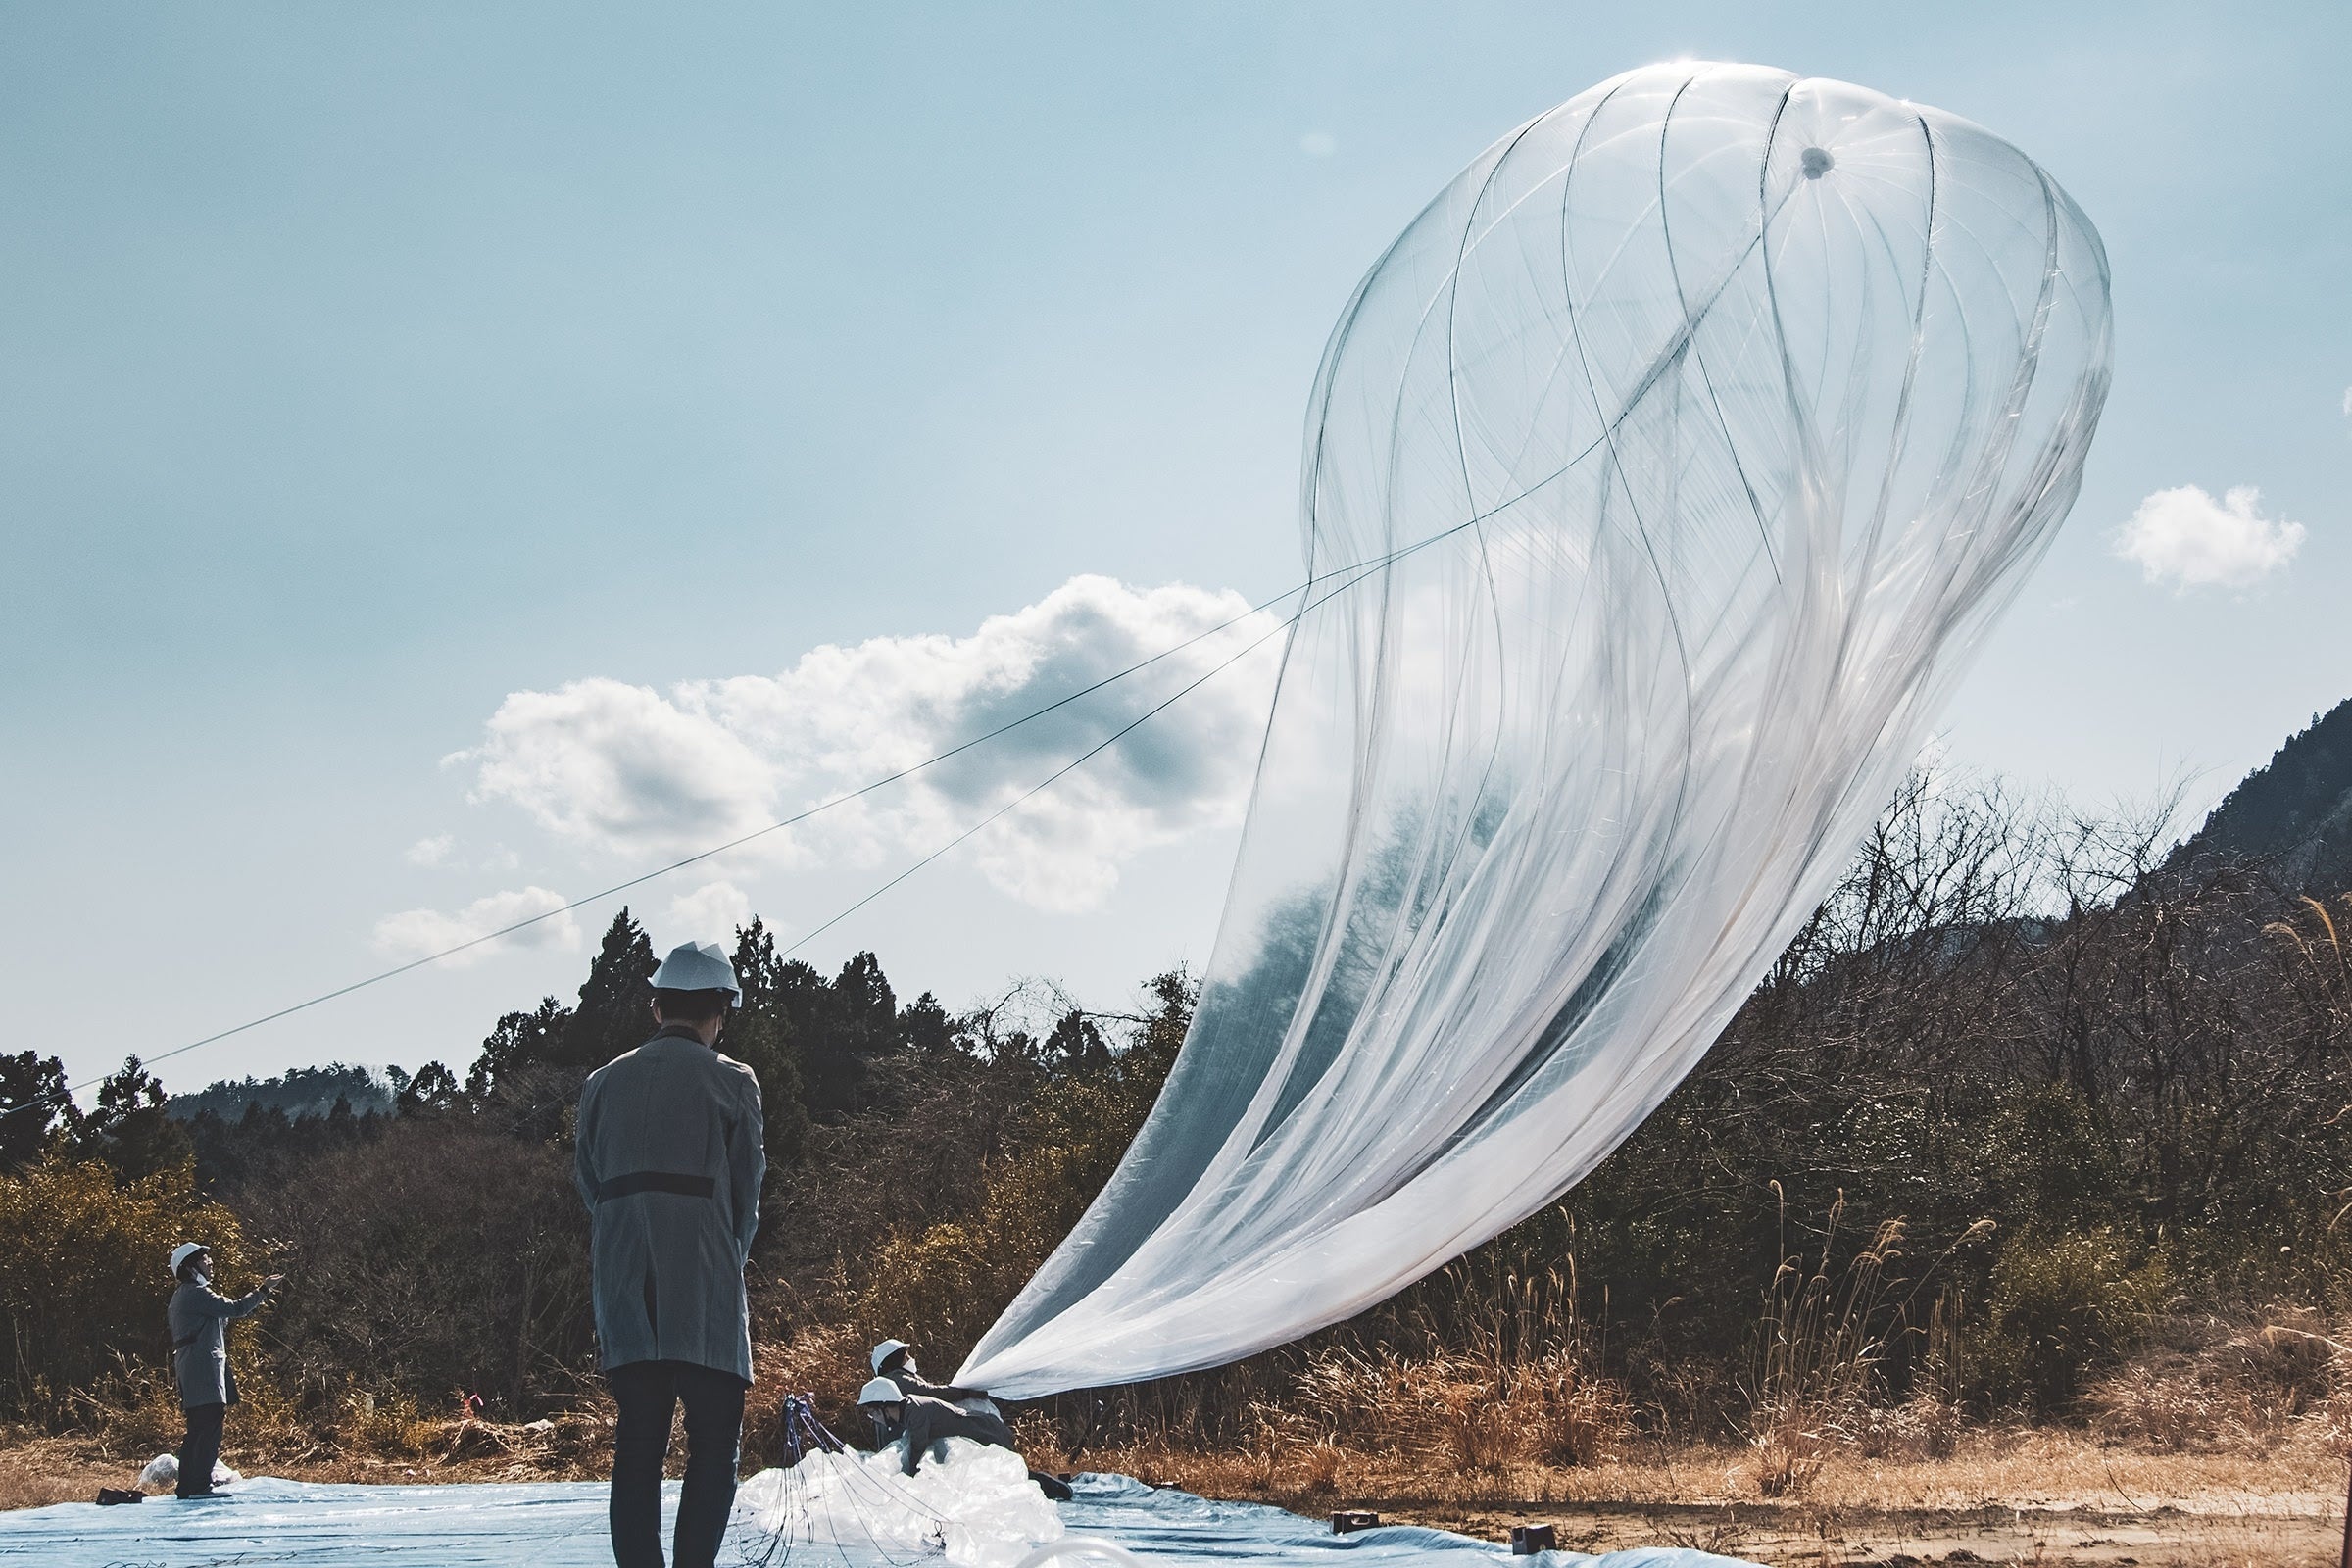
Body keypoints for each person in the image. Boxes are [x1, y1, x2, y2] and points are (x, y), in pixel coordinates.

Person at [575, 941, 765, 1568]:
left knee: (638, 1446)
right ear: (719, 1011)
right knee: (713, 1446)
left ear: (657, 1008)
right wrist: (727, 1262)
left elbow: (589, 1183)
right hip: (706, 1287)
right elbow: (746, 1195)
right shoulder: (733, 1082)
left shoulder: (602, 1083)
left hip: (626, 1289)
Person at [165, 1242, 283, 1499]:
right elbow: (236, 1308)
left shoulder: (185, 1294)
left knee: (199, 1427)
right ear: (190, 1266)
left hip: (196, 1367)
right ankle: (197, 1487)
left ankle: (189, 1487)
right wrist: (263, 1289)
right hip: (202, 1368)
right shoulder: (196, 1293)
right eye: (204, 1260)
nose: (210, 1263)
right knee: (208, 1426)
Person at [856, 1378, 1073, 1502]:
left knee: (1006, 1474)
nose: (873, 1418)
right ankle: (1049, 1483)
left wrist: (905, 1482)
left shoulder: (914, 1411)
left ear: (885, 1406)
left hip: (983, 1432)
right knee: (997, 1476)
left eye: (873, 1412)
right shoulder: (908, 1411)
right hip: (976, 1432)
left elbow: (917, 1448)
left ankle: (1053, 1486)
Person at [869, 1339, 997, 1415]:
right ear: (895, 1362)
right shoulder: (896, 1380)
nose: (910, 1359)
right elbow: (931, 1392)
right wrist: (967, 1392)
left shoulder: (890, 1381)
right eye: (906, 1357)